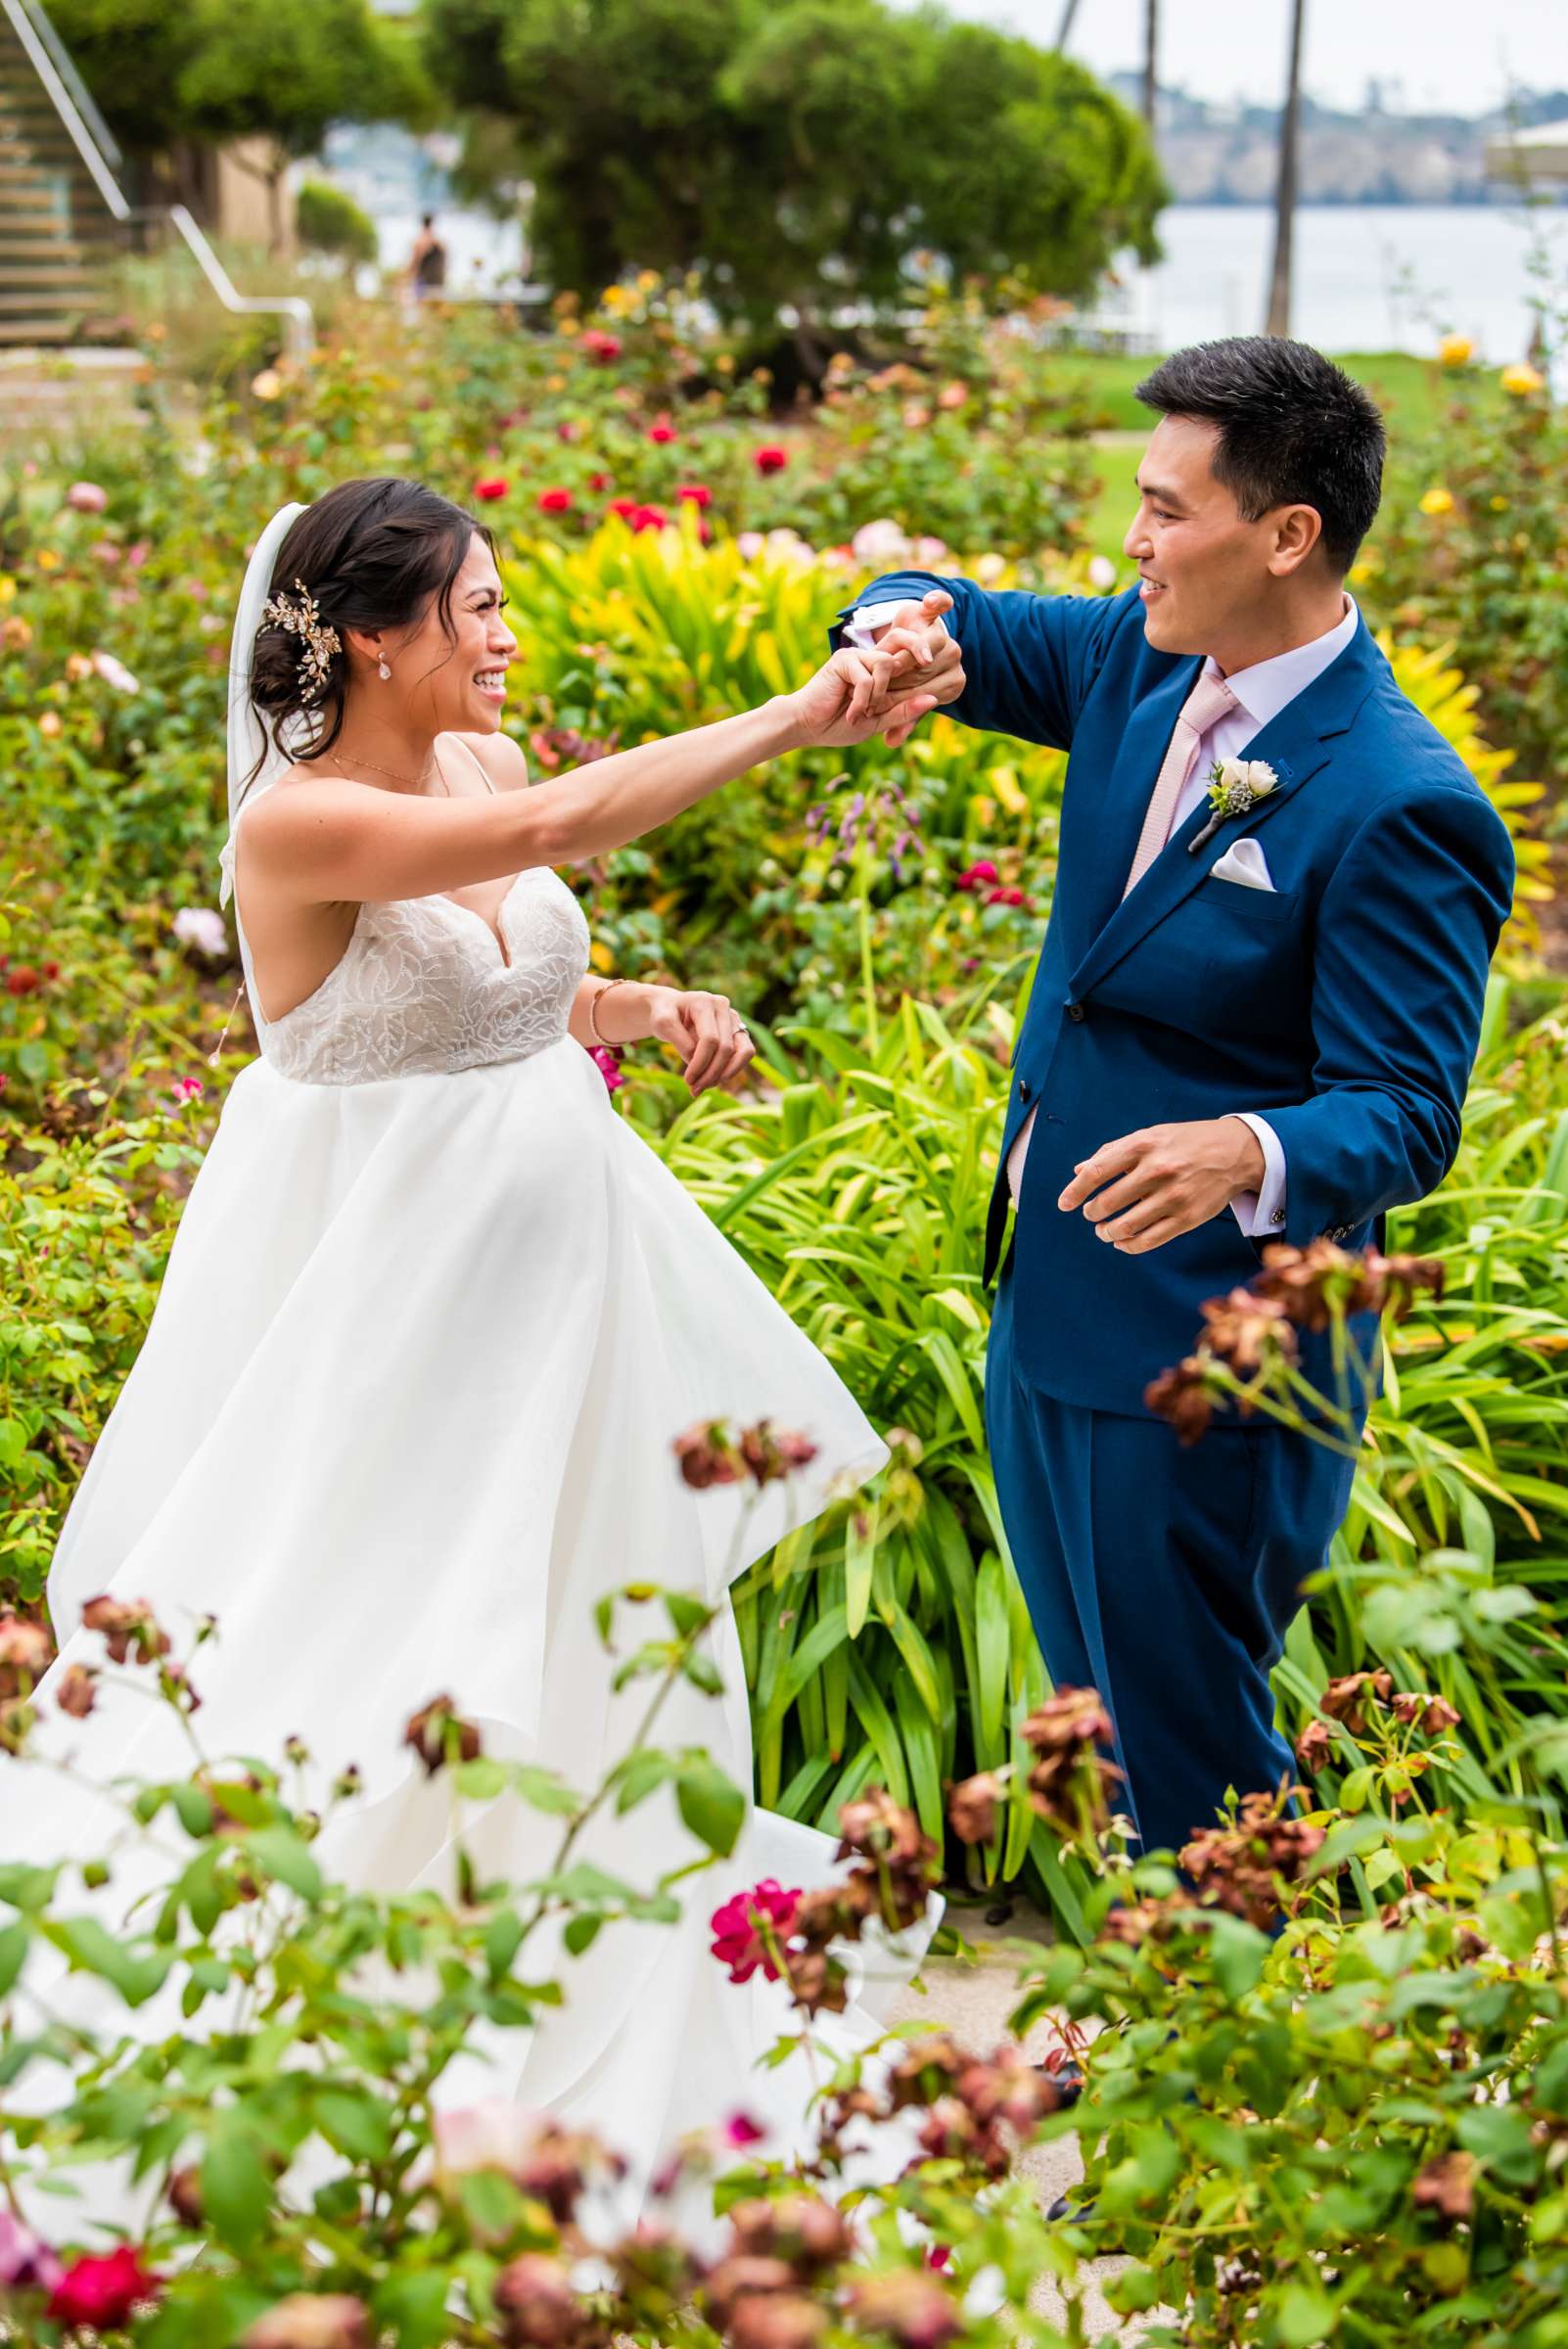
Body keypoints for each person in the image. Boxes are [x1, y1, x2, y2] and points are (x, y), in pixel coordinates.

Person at [5, 477, 958, 2237]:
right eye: (479, 611)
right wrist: (804, 714)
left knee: (586, 1626)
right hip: (393, 1307)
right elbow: (579, 826)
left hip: (559, 1296)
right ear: (370, 636)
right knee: (376, 1639)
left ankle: (590, 1942)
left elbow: (496, 976)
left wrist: (634, 1006)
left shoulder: (466, 772)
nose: (512, 639)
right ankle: (352, 2015)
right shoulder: (299, 824)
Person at [834, 336, 1515, 1866]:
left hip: (1214, 1356)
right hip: (1051, 1300)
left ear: (1285, 536)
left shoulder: (1403, 802)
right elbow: (953, 616)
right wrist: (889, 630)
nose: (1130, 542)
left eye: (1163, 510)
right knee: (1102, 1732)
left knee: (1197, 1757)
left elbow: (1404, 1109)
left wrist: (1247, 1145)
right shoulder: (1132, 659)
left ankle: (1246, 2060)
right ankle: (1154, 2047)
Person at [408, 212, 447, 300]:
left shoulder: (420, 241)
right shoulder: (439, 242)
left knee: (421, 309)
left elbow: (415, 261)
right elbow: (445, 261)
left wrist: (409, 277)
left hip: (423, 282)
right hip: (437, 281)